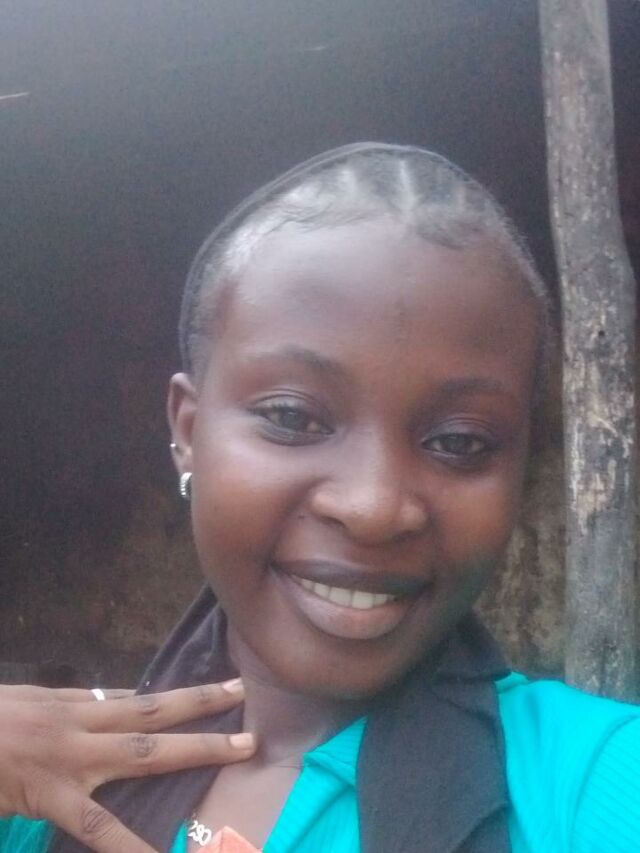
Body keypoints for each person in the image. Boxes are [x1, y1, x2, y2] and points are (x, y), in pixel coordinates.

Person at [2, 142, 640, 853]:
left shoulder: (593, 784)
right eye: (292, 416)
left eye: (459, 441)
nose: (373, 507)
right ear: (188, 432)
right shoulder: (34, 789)